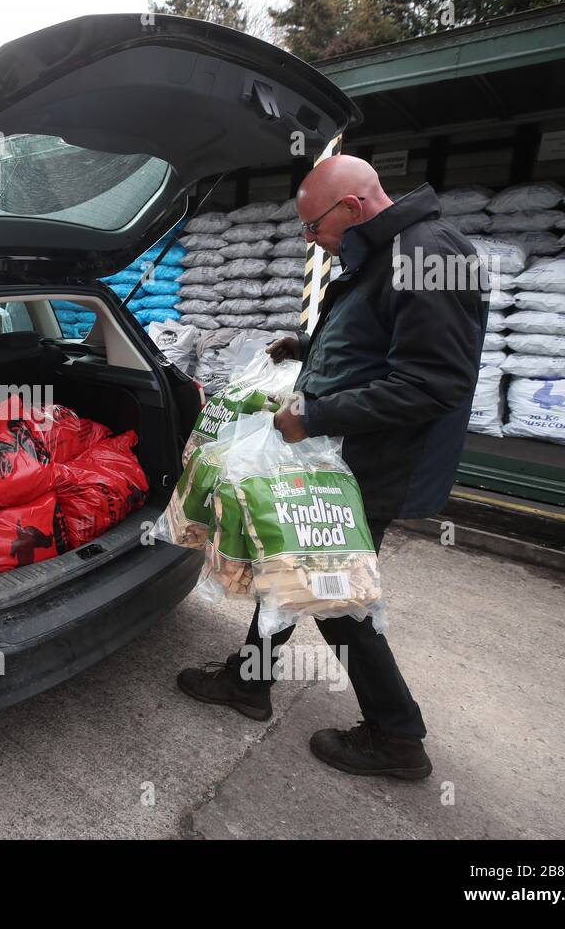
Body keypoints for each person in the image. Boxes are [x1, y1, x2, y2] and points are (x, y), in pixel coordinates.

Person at [177, 155, 488, 780]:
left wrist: (314, 414)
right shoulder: (387, 250)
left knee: (334, 595)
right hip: (345, 457)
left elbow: (432, 384)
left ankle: (398, 739)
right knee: (293, 571)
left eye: (312, 224)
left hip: (375, 467)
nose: (309, 238)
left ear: (352, 206)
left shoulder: (428, 255)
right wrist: (309, 347)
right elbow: (377, 338)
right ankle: (250, 682)